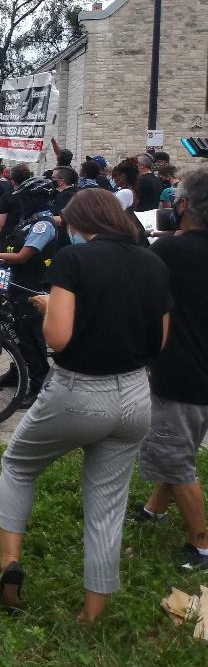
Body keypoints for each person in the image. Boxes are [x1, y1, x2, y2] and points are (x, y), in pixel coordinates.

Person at [0, 187, 171, 621]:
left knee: (19, 465)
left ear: (80, 224)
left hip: (78, 390)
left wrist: (48, 308)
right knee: (108, 505)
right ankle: (91, 614)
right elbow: (161, 339)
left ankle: (10, 566)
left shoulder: (74, 260)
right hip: (134, 394)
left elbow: (58, 338)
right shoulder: (153, 261)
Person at [135, 168, 208, 570]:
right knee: (180, 445)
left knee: (175, 456)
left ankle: (201, 545)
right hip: (201, 369)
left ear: (183, 206)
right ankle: (153, 510)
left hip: (180, 371)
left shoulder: (169, 253)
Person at [0, 176, 57, 404]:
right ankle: (17, 373)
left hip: (31, 289)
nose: (21, 203)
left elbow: (24, 256)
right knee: (17, 336)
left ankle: (38, 388)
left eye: (25, 198)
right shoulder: (29, 220)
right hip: (14, 285)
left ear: (36, 199)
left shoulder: (43, 224)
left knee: (32, 340)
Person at [49, 166, 79, 251]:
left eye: (53, 178)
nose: (51, 180)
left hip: (63, 239)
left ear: (61, 181)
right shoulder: (60, 193)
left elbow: (63, 219)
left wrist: (42, 218)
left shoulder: (66, 196)